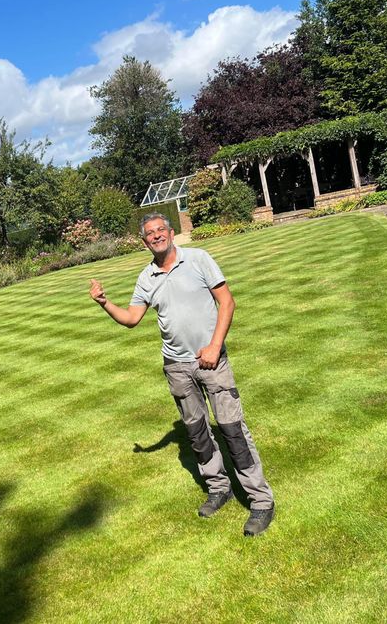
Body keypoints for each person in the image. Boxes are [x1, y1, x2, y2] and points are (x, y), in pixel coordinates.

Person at [89, 212, 274, 537]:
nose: (157, 235)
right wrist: (105, 302)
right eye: (150, 233)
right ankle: (219, 488)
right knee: (198, 434)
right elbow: (132, 318)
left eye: (161, 229)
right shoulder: (147, 277)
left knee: (232, 430)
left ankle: (260, 501)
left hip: (211, 361)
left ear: (171, 233)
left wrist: (215, 346)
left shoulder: (198, 259)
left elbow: (227, 302)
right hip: (176, 366)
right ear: (144, 241)